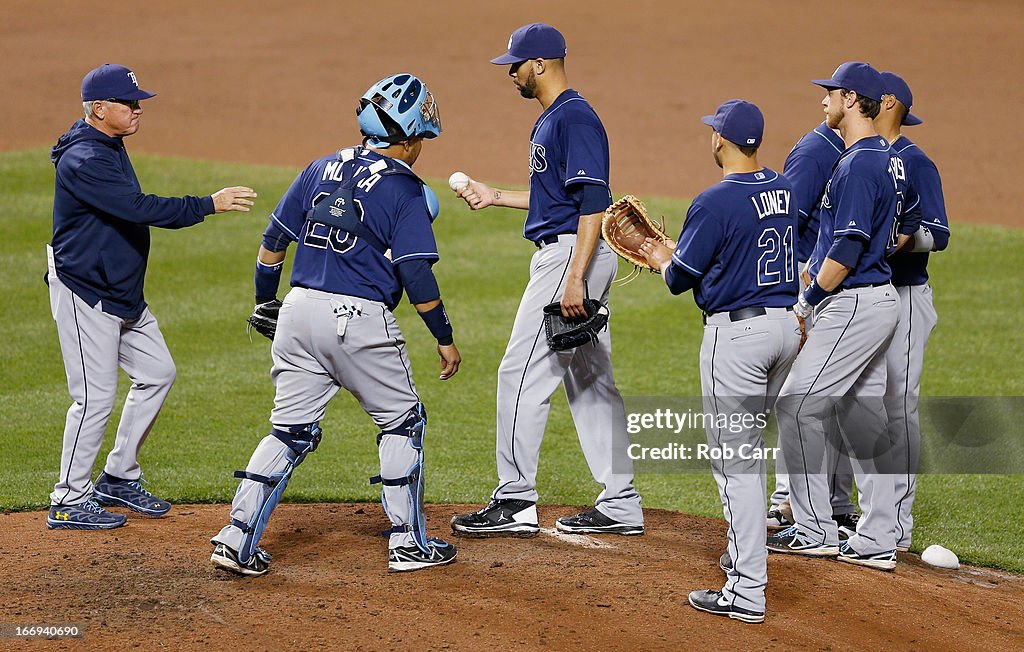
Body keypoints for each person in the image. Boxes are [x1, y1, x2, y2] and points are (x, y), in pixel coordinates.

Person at [210, 73, 460, 576]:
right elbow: (414, 272)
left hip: (297, 311)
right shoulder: (406, 190)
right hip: (358, 320)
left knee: (288, 431)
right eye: (421, 141)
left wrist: (266, 302)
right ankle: (409, 543)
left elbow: (273, 243)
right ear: (409, 137)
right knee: (403, 422)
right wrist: (444, 337)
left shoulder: (320, 166)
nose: (421, 150)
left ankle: (235, 539)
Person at [449, 23, 643, 537]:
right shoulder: (556, 119)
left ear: (540, 65)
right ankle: (621, 503)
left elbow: (592, 204)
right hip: (572, 252)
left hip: (569, 259)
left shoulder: (573, 119)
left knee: (519, 372)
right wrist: (496, 197)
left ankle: (514, 501)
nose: (509, 72)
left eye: (515, 64)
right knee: (591, 380)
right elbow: (558, 199)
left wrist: (575, 277)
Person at [46, 63, 256, 530]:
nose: (138, 109)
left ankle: (118, 476)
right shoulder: (86, 159)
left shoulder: (106, 142)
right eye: (128, 102)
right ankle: (67, 498)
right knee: (94, 398)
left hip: (121, 293)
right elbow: (138, 208)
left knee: (158, 373)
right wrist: (208, 204)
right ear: (99, 109)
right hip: (87, 293)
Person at [640, 100, 801, 624]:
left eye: (714, 132)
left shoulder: (711, 201)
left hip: (738, 340)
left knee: (735, 464)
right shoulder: (783, 187)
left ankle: (746, 589)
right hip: (784, 329)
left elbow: (678, 279)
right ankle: (747, 560)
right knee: (750, 454)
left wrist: (661, 253)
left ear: (721, 141)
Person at [766, 62, 911, 571]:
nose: (822, 100)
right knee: (862, 417)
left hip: (854, 301)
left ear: (851, 99)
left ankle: (814, 527)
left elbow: (847, 249)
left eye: (829, 93)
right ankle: (877, 536)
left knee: (797, 405)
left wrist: (807, 301)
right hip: (874, 301)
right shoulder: (876, 159)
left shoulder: (857, 165)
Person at [768, 121, 859, 537]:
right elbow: (784, 221)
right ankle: (784, 504)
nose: (824, 101)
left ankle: (830, 504)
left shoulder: (863, 153)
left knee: (821, 399)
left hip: (831, 287)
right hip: (808, 282)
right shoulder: (814, 152)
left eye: (832, 92)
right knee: (801, 396)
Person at [875, 71, 950, 553]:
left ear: (886, 104)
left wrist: (892, 241)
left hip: (903, 297)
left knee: (897, 407)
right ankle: (852, 510)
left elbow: (937, 234)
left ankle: (897, 524)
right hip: (861, 301)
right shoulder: (857, 157)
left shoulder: (914, 161)